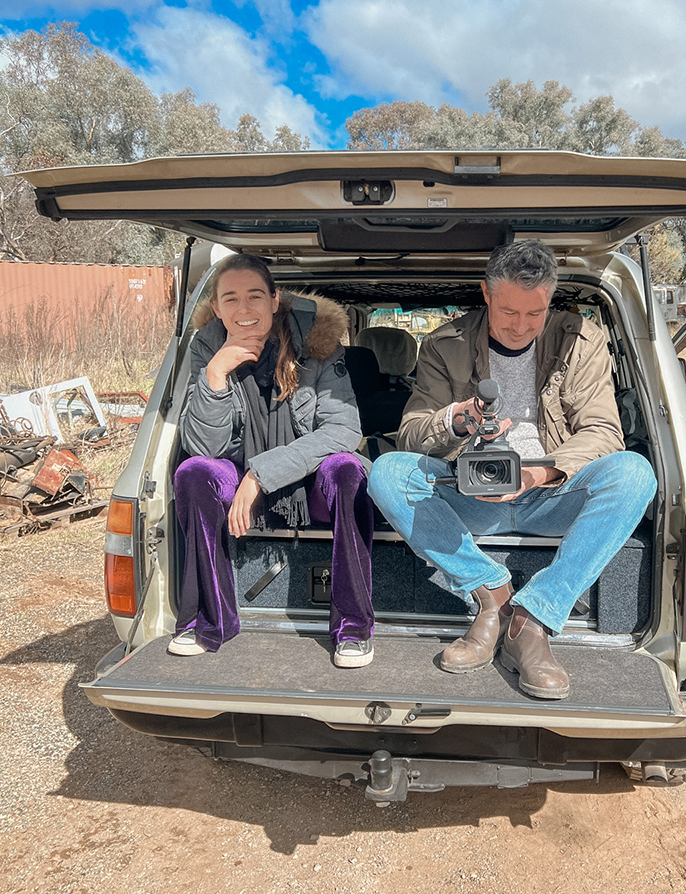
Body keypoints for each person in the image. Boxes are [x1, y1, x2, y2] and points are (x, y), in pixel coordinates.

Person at [367, 239, 656, 700]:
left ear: (550, 299)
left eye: (534, 313)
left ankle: (533, 617)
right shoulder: (444, 343)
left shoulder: (581, 340)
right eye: (508, 312)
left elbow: (603, 431)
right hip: (470, 496)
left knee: (635, 473)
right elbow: (412, 435)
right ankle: (493, 594)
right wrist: (456, 419)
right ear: (486, 293)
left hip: (552, 492)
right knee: (387, 472)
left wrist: (539, 474)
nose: (520, 326)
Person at [171, 253, 375, 668]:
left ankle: (352, 628)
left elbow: (343, 430)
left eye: (254, 296)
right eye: (230, 299)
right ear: (217, 307)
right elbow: (202, 446)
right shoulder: (207, 349)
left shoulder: (317, 345)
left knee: (347, 470)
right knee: (193, 472)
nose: (243, 309)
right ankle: (208, 622)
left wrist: (260, 474)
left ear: (275, 299)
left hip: (304, 482)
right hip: (236, 474)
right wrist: (214, 376)